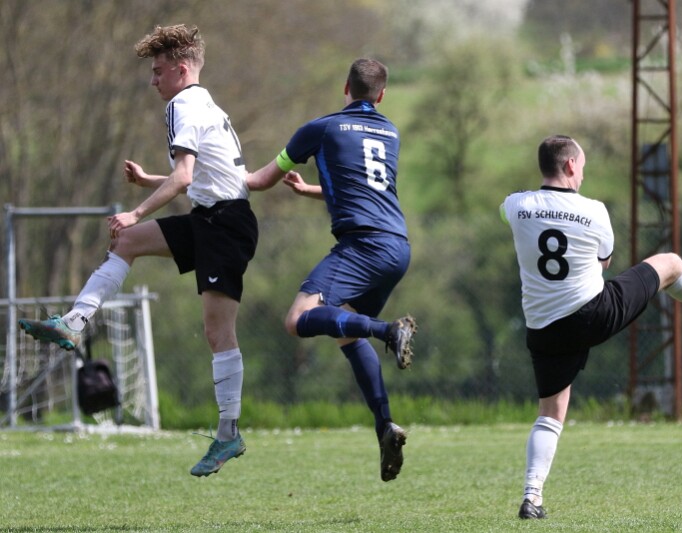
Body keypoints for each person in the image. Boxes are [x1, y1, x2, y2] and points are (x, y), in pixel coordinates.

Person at [19, 24, 258, 478]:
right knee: (126, 242)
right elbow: (205, 174)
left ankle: (229, 433)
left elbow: (185, 178)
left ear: (181, 70)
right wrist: (150, 180)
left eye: (158, 71)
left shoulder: (182, 105)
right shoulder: (204, 102)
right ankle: (74, 323)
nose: (152, 81)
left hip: (225, 226)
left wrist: (136, 210)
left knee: (217, 333)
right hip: (212, 218)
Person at [500, 134, 682, 519]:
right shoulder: (594, 211)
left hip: (544, 327)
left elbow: (510, 212)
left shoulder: (516, 206)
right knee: (670, 264)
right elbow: (604, 262)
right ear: (570, 165)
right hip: (593, 313)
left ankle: (531, 497)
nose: (583, 175)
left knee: (550, 412)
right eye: (582, 167)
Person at [247, 58, 416, 482]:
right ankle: (385, 426)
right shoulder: (390, 132)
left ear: (345, 87)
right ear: (381, 95)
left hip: (362, 245)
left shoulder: (320, 129)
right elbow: (361, 188)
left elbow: (261, 180)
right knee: (345, 328)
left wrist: (204, 175)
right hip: (397, 247)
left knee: (298, 319)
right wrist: (310, 189)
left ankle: (388, 331)